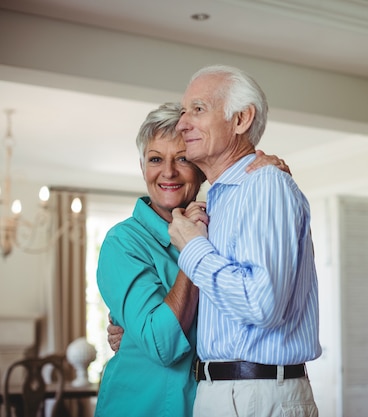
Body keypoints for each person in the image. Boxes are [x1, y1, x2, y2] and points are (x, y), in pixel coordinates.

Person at [95, 102, 290, 417]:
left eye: (182, 159)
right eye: (155, 159)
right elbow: (163, 345)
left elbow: (259, 300)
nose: (168, 172)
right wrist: (192, 246)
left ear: (200, 167)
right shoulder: (122, 243)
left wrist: (268, 179)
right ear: (142, 167)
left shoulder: (223, 223)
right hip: (141, 406)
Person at [168, 64, 321, 417]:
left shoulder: (266, 184)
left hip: (255, 396)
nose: (182, 124)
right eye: (182, 112)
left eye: (198, 109)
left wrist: (192, 248)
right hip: (227, 394)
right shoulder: (218, 200)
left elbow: (261, 304)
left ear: (241, 119)